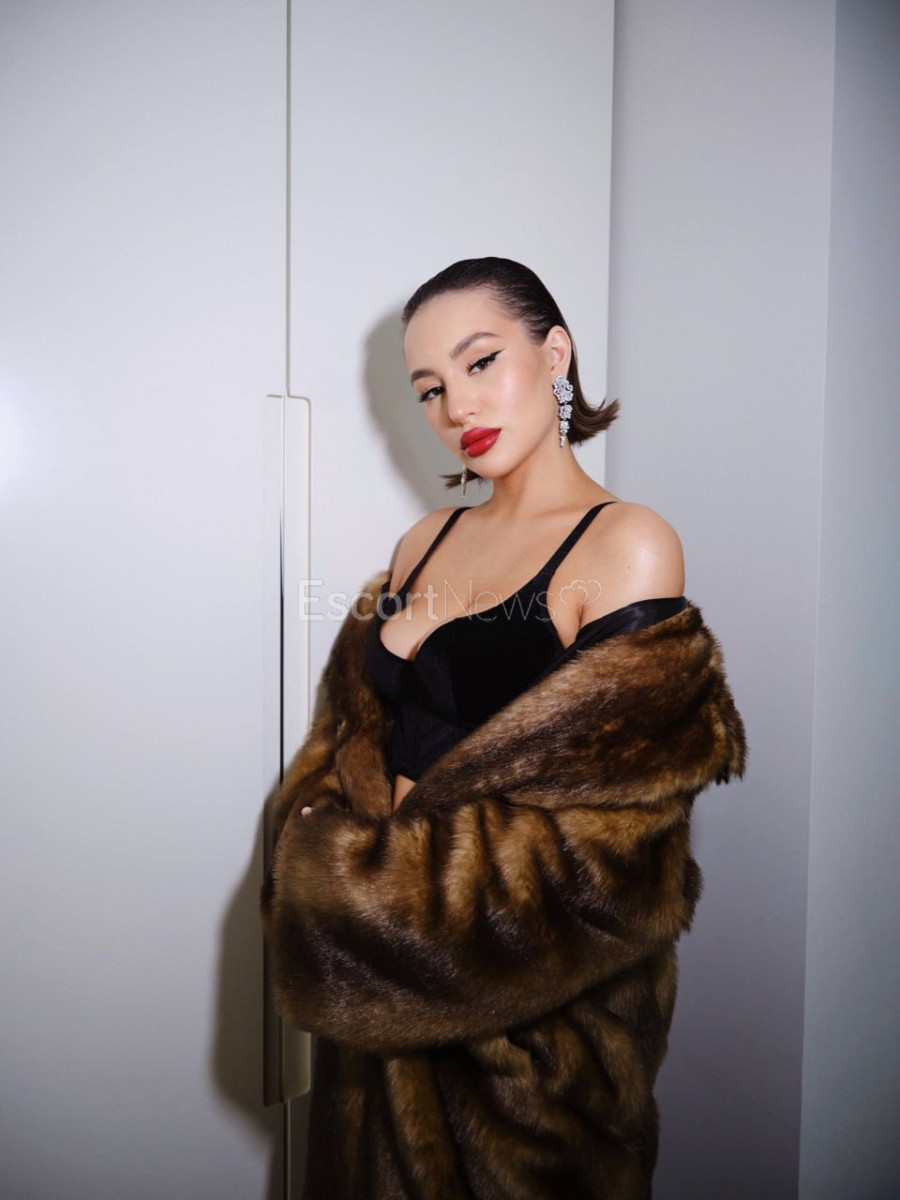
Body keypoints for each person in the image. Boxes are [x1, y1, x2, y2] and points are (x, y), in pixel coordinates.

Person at [260, 257, 747, 1200]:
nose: (456, 407)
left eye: (480, 362)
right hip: (380, 1022)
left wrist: (352, 890)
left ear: (555, 353)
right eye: (429, 388)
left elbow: (614, 853)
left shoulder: (627, 543)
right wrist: (321, 836)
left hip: (526, 1050)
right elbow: (350, 737)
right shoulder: (425, 540)